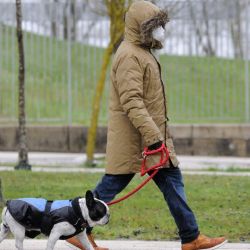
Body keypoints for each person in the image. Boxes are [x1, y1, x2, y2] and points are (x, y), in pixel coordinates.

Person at [67, 1, 227, 250]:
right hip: (139, 141)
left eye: (160, 25)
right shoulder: (130, 55)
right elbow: (132, 101)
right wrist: (154, 137)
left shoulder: (140, 52)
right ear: (140, 27)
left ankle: (191, 236)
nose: (160, 31)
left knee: (170, 181)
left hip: (147, 139)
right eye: (154, 26)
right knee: (111, 186)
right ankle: (77, 230)